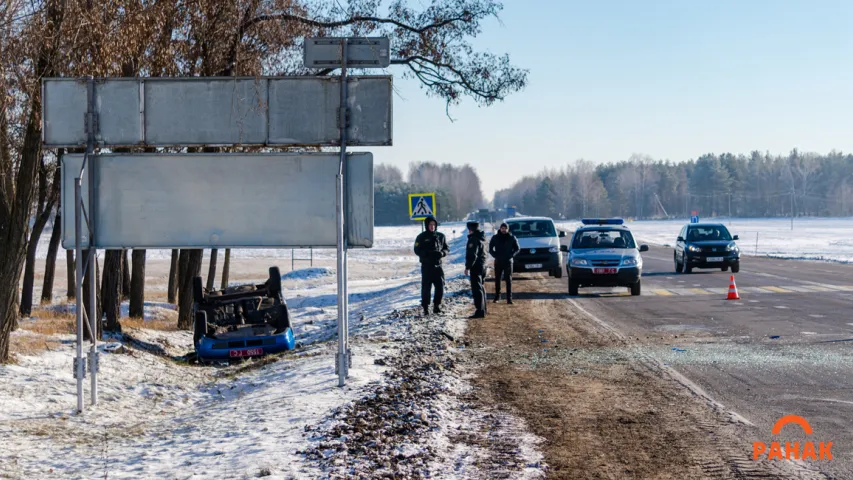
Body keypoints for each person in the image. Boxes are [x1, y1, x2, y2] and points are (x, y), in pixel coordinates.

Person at [413, 215, 450, 316]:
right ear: (426, 225)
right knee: (426, 288)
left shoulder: (441, 236)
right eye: (430, 225)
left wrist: (442, 253)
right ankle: (425, 307)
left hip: (438, 266)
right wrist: (427, 253)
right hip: (427, 266)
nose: (432, 227)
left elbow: (447, 248)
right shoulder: (421, 237)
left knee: (440, 287)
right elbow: (416, 250)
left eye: (434, 224)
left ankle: (436, 306)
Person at [488, 222, 520, 304]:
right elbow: (490, 249)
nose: (503, 229)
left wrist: (511, 255)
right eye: (502, 228)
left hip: (508, 261)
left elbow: (517, 248)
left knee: (508, 280)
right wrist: (495, 255)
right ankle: (497, 297)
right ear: (500, 229)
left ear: (507, 229)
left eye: (505, 228)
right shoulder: (495, 237)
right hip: (498, 261)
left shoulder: (512, 237)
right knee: (497, 279)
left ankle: (509, 298)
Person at [464, 221, 488, 319]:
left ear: (470, 229)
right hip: (483, 266)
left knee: (476, 289)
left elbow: (472, 255)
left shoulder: (473, 239)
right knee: (481, 288)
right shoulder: (481, 238)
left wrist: (467, 267)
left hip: (476, 267)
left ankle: (479, 311)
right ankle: (483, 309)